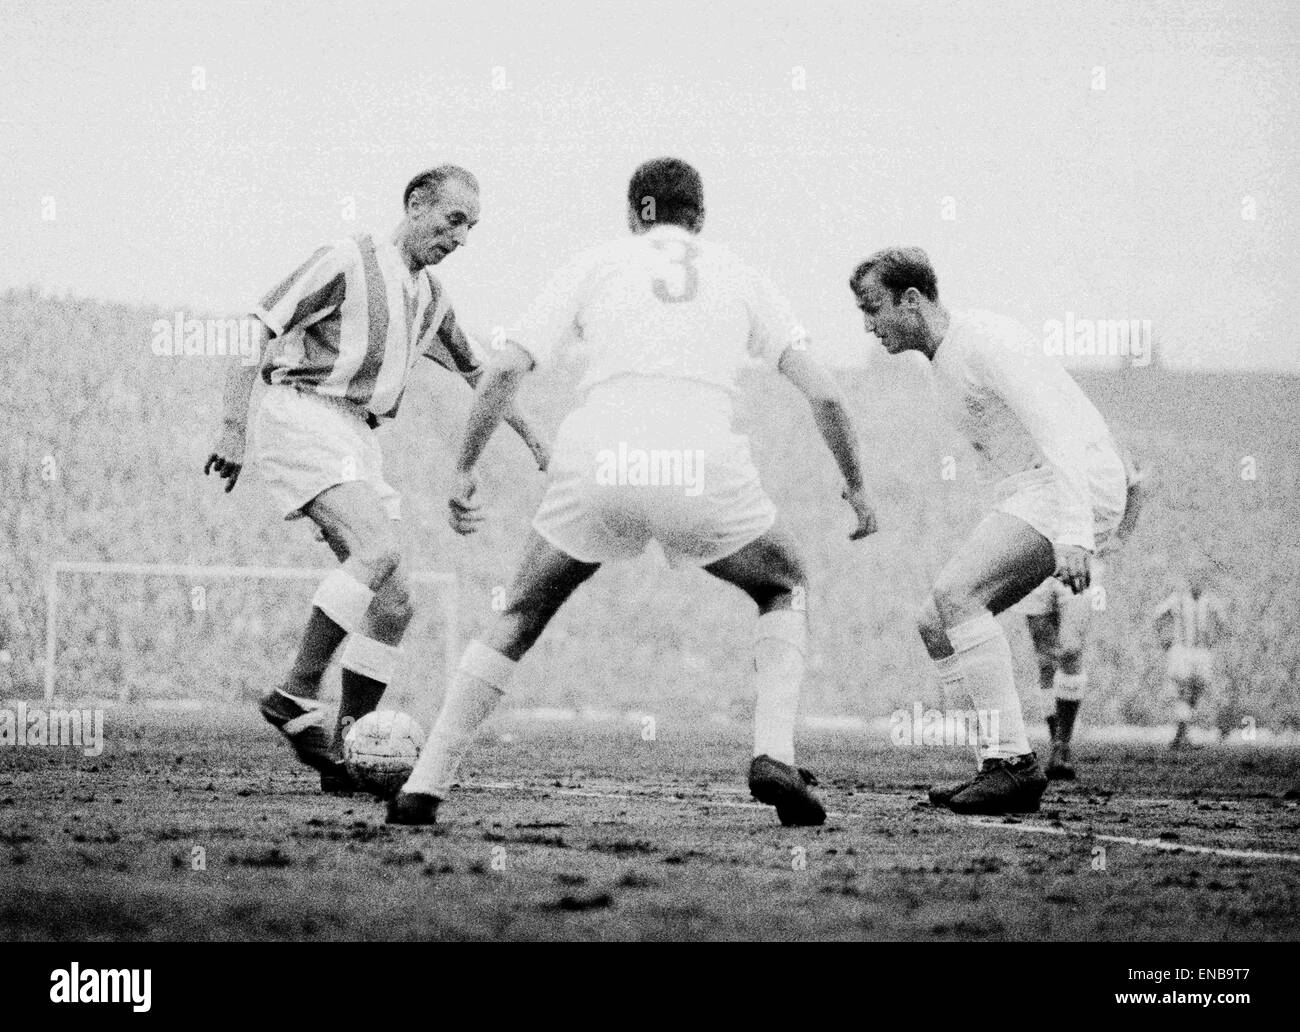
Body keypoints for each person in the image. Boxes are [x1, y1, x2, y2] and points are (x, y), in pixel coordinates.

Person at [388, 157, 877, 827]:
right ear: (698, 220)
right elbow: (824, 391)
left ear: (639, 211)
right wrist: (857, 488)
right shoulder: (739, 273)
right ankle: (774, 755)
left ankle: (425, 783)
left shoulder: (598, 263)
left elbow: (503, 367)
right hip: (700, 464)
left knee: (521, 613)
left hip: (599, 458)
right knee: (784, 582)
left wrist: (463, 469)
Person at [204, 165, 548, 792]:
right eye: (453, 220)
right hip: (302, 412)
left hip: (357, 436)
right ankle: (295, 691)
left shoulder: (432, 297)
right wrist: (234, 426)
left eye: (472, 227)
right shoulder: (346, 259)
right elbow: (257, 327)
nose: (462, 237)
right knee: (378, 550)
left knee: (395, 602)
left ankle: (350, 747)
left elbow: (481, 374)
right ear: (416, 205)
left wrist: (535, 444)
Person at [849, 246, 1130, 815]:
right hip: (1037, 490)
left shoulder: (983, 340)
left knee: (958, 596)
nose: (868, 325)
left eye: (872, 307)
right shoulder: (943, 363)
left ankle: (1016, 766)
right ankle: (993, 765)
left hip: (1073, 484)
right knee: (935, 621)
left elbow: (1059, 429)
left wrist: (1075, 532)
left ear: (911, 299)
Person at [1017, 455, 1148, 779]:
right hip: (1033, 557)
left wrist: (1119, 537)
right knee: (1045, 659)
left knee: (1071, 648)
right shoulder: (1025, 436)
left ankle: (1063, 745)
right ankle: (1056, 746)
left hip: (1079, 556)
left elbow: (1136, 484)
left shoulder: (1091, 436)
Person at [1154, 569, 1228, 749]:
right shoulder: (1177, 599)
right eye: (1194, 580)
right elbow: (1158, 615)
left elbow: (1223, 621)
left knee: (1195, 691)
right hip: (1182, 651)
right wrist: (1164, 639)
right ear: (1189, 582)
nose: (1197, 584)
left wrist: (1214, 640)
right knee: (1185, 690)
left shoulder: (1209, 600)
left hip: (1201, 652)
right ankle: (1181, 736)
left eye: (1201, 580)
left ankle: (1181, 735)